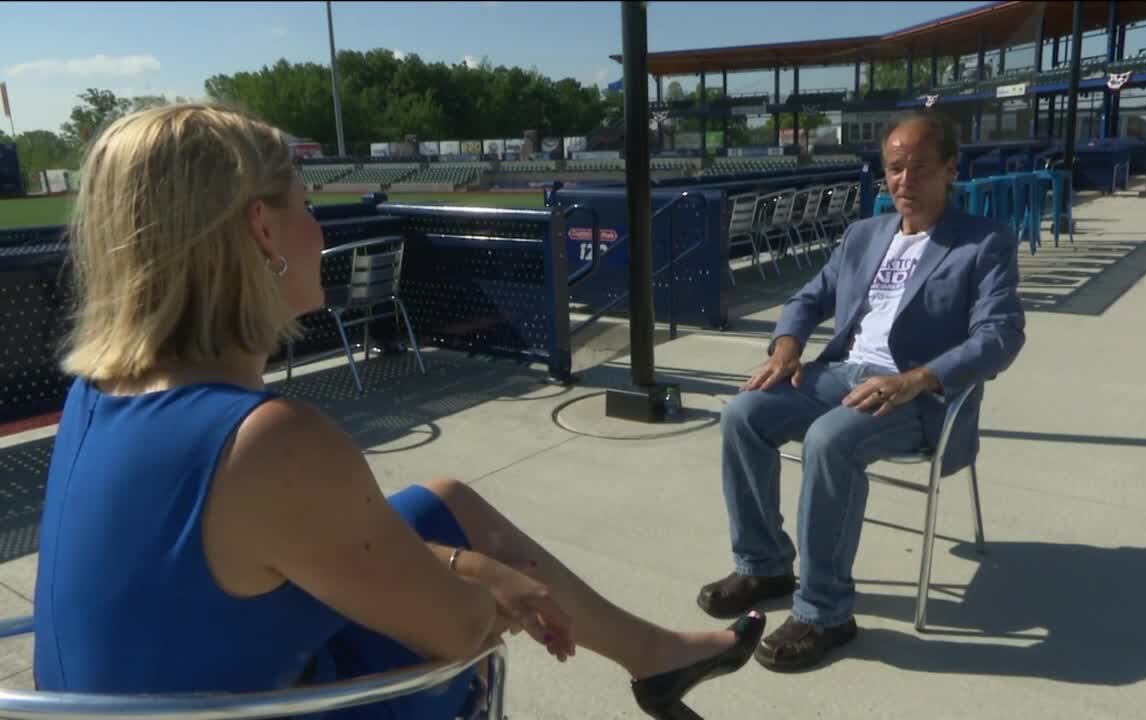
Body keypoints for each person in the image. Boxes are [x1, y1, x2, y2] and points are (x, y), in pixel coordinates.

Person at [32, 103, 765, 720]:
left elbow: (290, 542)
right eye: (307, 206)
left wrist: (464, 557)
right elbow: (460, 630)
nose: (320, 232)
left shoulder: (95, 396)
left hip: (156, 694)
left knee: (444, 502)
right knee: (460, 659)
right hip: (251, 704)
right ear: (262, 230)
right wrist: (488, 586)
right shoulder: (266, 443)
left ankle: (654, 655)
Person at [697, 111, 1026, 672]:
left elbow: (1001, 335)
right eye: (894, 168)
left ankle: (826, 612)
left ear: (951, 169)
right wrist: (786, 347)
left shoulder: (983, 242)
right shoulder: (862, 235)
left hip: (920, 396)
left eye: (919, 168)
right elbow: (807, 298)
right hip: (840, 374)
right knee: (742, 413)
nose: (903, 180)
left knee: (830, 440)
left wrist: (917, 378)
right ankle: (765, 564)